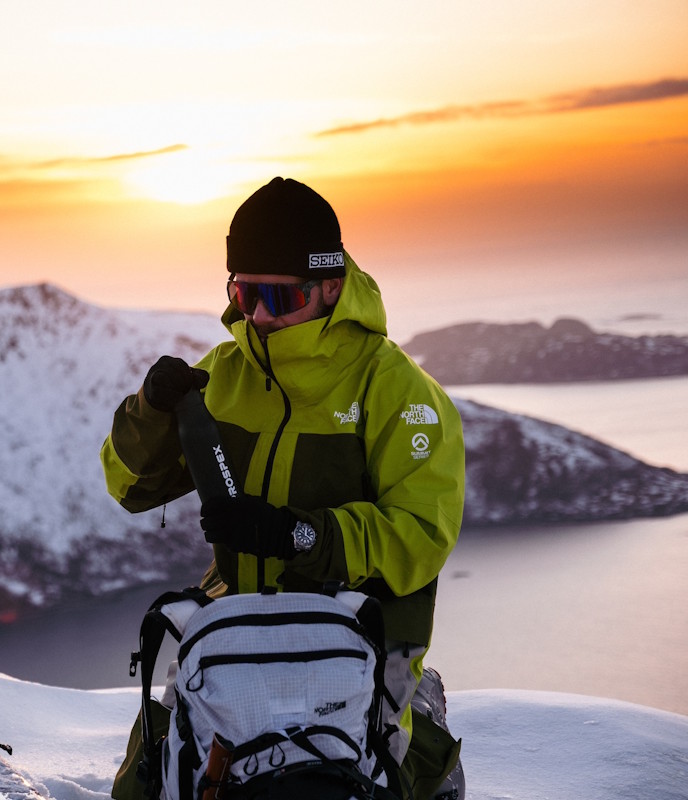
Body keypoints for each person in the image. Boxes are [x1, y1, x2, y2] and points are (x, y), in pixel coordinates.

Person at [101, 177, 465, 799]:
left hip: (356, 639)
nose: (260, 316)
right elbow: (130, 487)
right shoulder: (223, 372)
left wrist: (294, 533)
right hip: (236, 629)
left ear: (331, 285)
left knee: (352, 781)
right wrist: (151, 411)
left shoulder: (396, 391)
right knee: (148, 783)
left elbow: (420, 536)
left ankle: (423, 734)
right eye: (244, 293)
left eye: (278, 294)